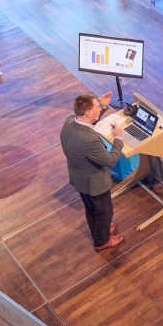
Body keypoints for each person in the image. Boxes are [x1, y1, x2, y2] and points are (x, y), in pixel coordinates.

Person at [59, 92, 125, 251]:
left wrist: (102, 106)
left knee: (91, 209)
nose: (99, 109)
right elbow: (110, 161)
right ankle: (101, 241)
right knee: (103, 212)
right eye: (96, 107)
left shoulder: (69, 121)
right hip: (95, 183)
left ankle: (99, 231)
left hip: (79, 178)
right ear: (88, 112)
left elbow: (89, 124)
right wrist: (118, 138)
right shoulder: (89, 140)